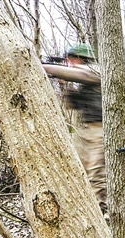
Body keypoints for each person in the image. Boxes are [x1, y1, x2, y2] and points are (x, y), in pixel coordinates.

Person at [42, 43, 107, 212]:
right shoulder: (81, 78)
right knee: (83, 169)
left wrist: (46, 68)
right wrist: (64, 85)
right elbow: (72, 104)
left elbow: (81, 74)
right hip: (86, 128)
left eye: (72, 60)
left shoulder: (96, 69)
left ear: (81, 58)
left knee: (96, 172)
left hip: (101, 128)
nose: (70, 63)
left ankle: (101, 211)